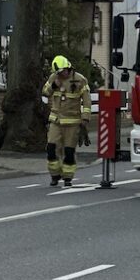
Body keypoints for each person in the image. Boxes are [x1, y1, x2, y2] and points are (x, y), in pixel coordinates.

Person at [42, 55, 91, 187]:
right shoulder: (54, 78)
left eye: (61, 72)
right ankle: (54, 175)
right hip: (56, 120)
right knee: (51, 148)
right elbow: (45, 92)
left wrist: (85, 119)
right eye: (57, 73)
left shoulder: (80, 80)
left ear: (68, 68)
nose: (60, 75)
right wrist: (54, 85)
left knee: (69, 152)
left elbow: (86, 101)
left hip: (72, 122)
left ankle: (68, 177)